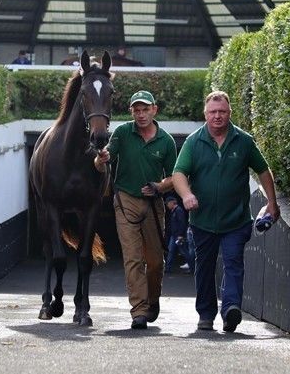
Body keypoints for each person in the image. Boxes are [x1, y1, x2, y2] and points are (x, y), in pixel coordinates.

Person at [172, 90, 280, 332]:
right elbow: (179, 173)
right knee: (204, 267)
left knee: (233, 263)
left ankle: (231, 309)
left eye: (222, 112)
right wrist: (187, 194)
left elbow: (263, 170)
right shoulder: (193, 141)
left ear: (230, 113)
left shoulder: (244, 141)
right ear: (205, 114)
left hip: (236, 219)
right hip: (202, 221)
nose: (217, 116)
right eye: (213, 112)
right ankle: (206, 314)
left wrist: (272, 202)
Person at [94, 90, 176, 329]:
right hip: (126, 200)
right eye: (136, 110)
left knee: (155, 261)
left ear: (154, 110)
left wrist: (160, 186)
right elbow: (102, 162)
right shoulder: (122, 133)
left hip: (153, 203)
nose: (140, 114)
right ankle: (138, 311)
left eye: (145, 109)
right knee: (133, 258)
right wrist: (100, 159)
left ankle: (152, 299)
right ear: (131, 112)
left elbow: (175, 177)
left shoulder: (167, 141)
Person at [163, 194, 193, 274]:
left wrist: (180, 234)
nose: (167, 205)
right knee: (172, 251)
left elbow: (182, 223)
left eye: (168, 203)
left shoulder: (178, 210)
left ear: (173, 202)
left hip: (178, 235)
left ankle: (192, 267)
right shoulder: (174, 211)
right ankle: (168, 268)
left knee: (184, 251)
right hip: (175, 235)